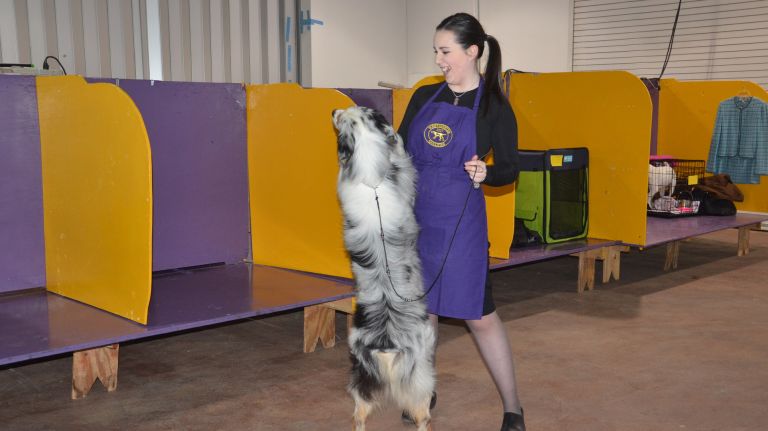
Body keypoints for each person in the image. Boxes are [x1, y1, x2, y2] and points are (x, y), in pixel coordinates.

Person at [397, 12, 525, 431]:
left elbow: (508, 169)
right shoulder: (423, 98)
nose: (438, 59)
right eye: (436, 50)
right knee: (423, 311)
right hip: (419, 219)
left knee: (480, 316)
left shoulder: (494, 107)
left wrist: (487, 174)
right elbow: (399, 153)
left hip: (461, 223)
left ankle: (512, 408)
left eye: (445, 51)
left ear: (472, 52)